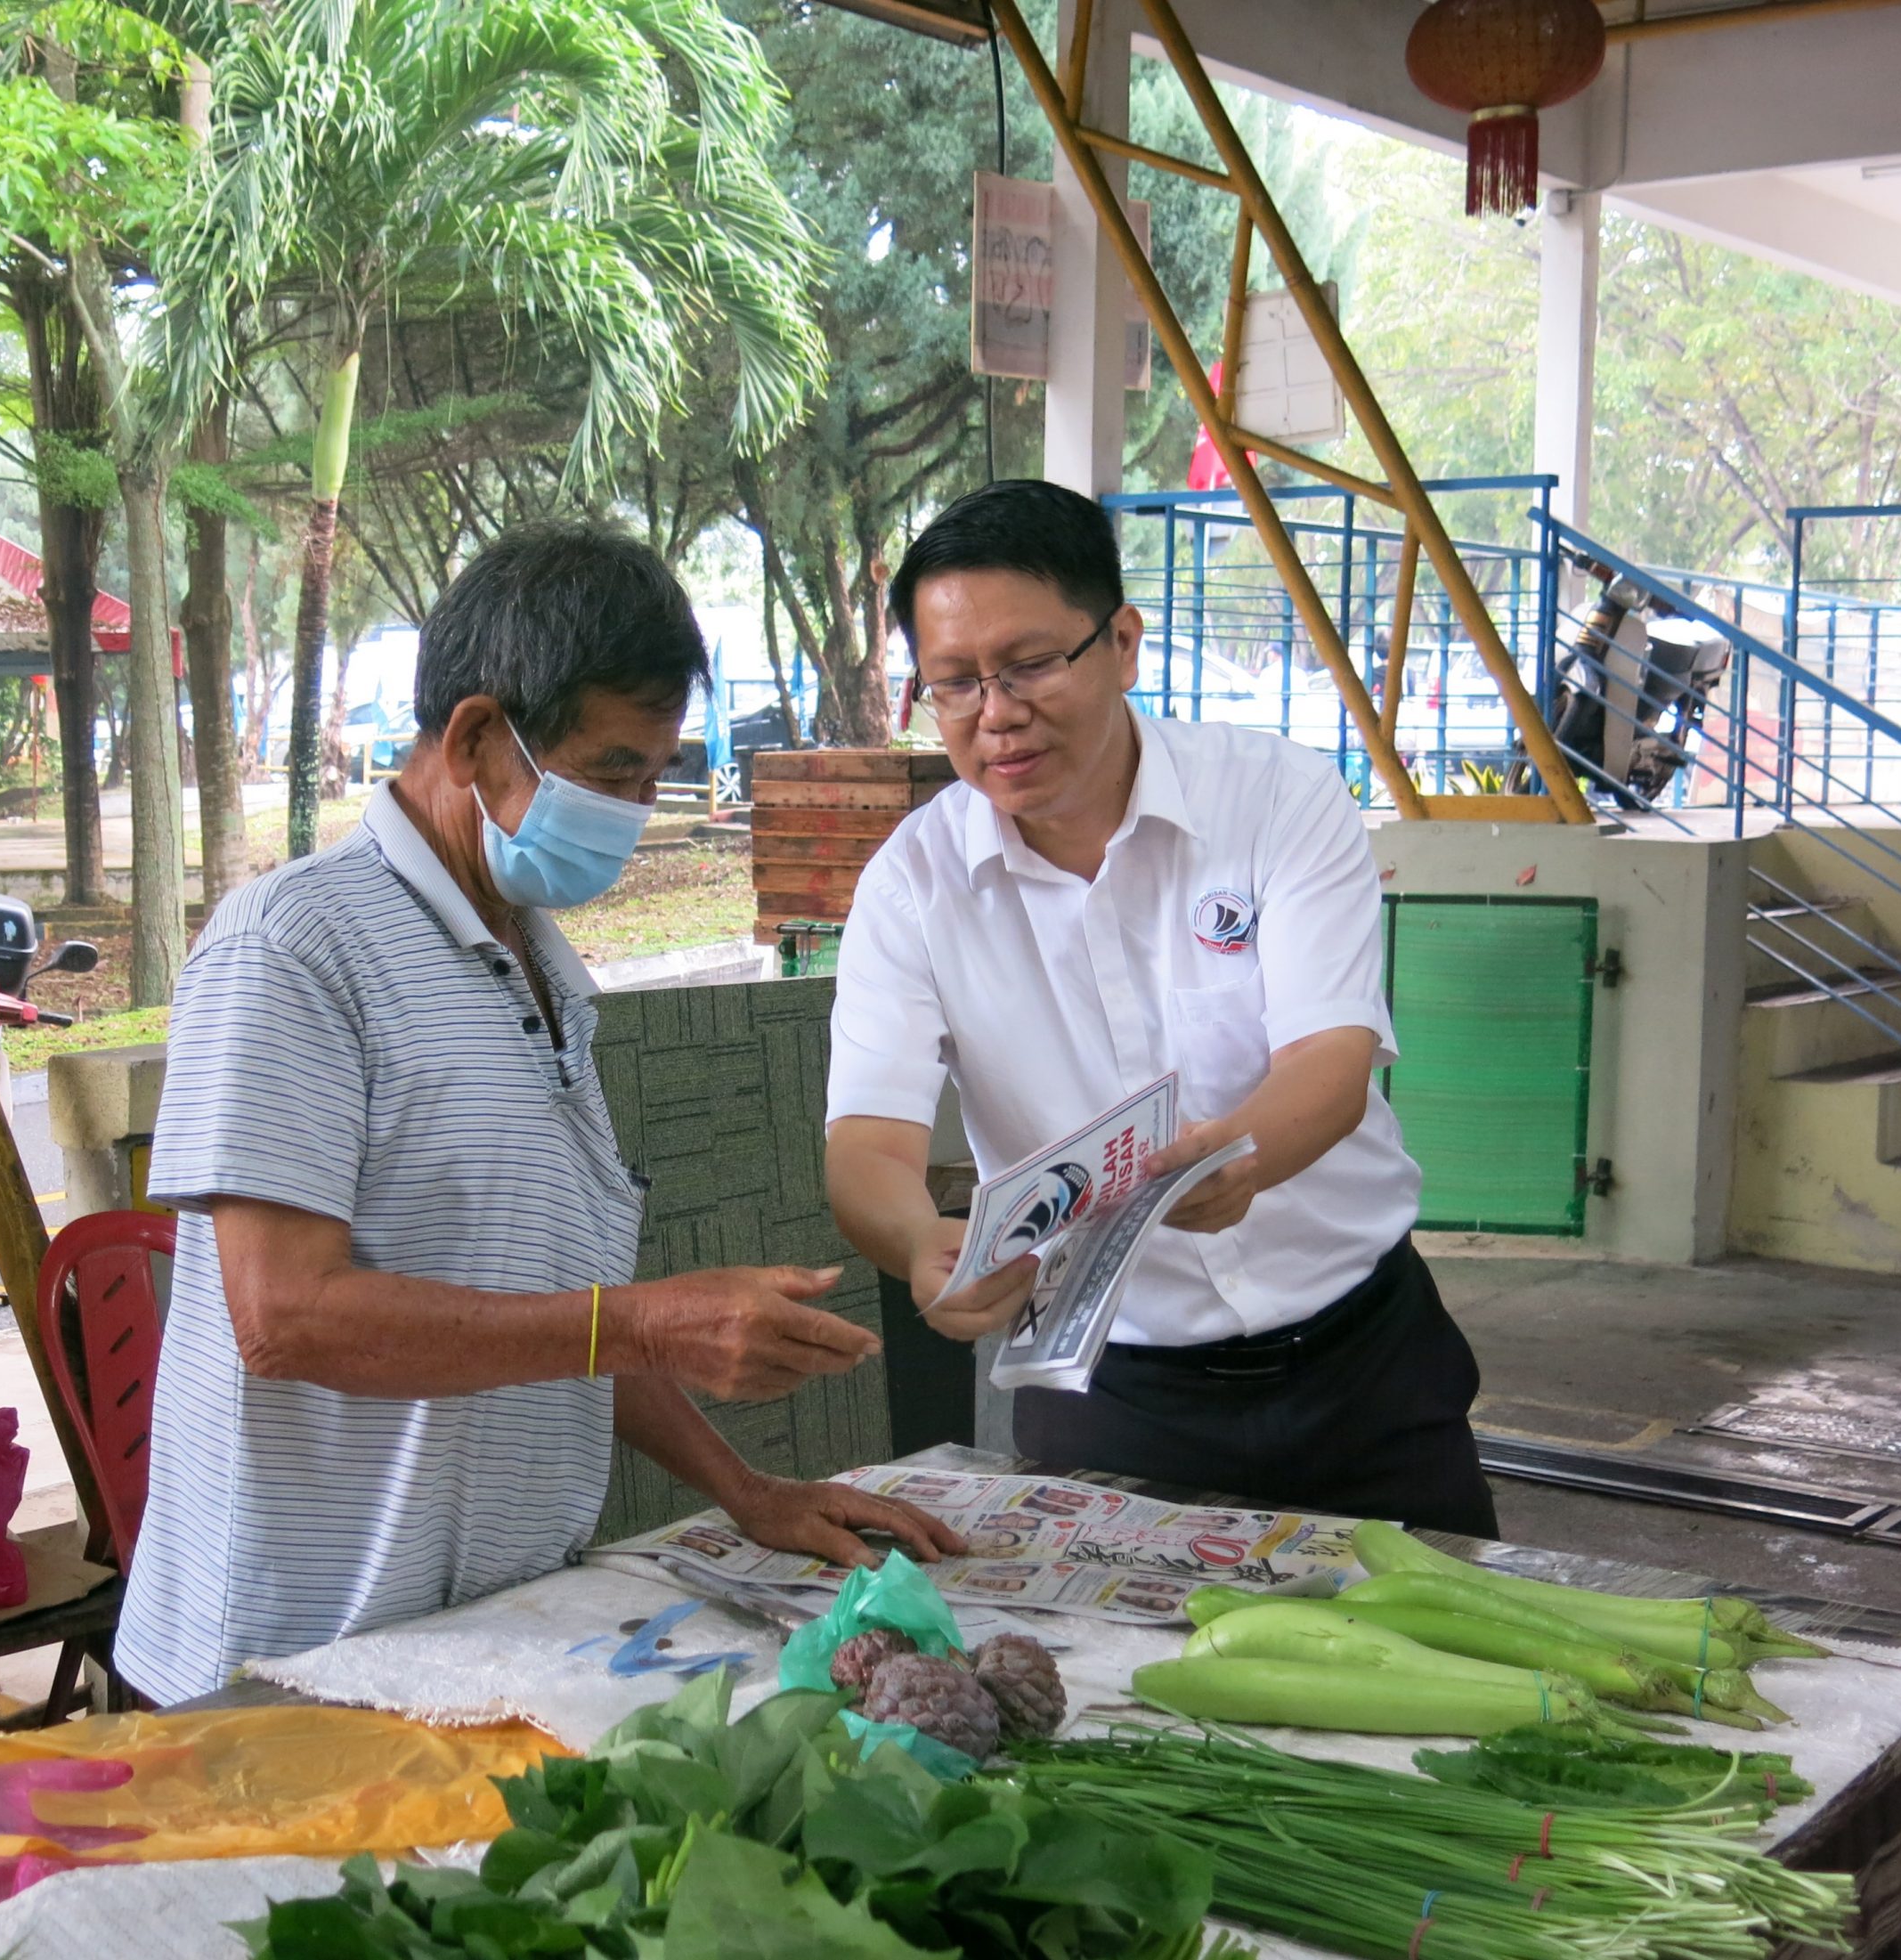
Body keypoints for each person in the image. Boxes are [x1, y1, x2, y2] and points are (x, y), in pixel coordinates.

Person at [117, 523, 960, 1706]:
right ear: (474, 738)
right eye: (612, 772)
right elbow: (286, 1316)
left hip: (477, 1634)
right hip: (288, 1650)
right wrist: (643, 1323)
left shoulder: (546, 970)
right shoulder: (293, 947)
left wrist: (747, 1490)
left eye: (654, 772)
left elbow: (553, 1316)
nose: (635, 809)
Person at [823, 480, 1496, 1537]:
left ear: (1123, 643)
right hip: (1112, 1397)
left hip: (1362, 1365)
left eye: (1031, 663)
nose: (996, 713)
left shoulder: (1274, 796)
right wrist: (920, 1243)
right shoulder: (913, 885)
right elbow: (866, 1141)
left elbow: (1331, 1056)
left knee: (1458, 1675)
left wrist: (1244, 1154)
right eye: (953, 683)